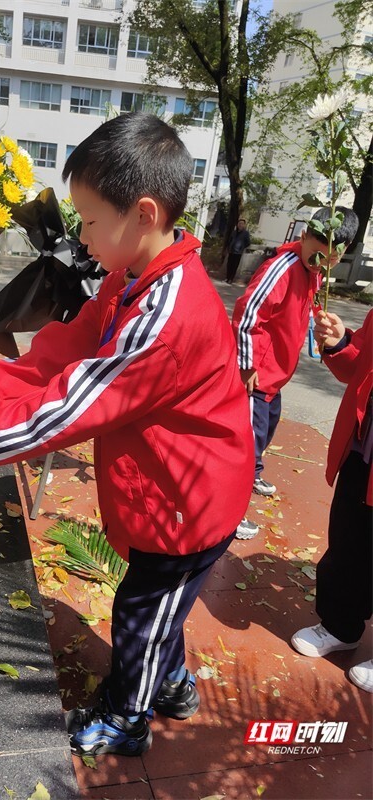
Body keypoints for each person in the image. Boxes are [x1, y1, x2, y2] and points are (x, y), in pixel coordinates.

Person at [0, 113, 254, 757]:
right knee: (157, 609)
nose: (81, 236)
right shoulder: (131, 278)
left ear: (144, 214)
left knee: (142, 613)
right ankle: (172, 685)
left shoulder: (168, 316)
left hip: (192, 501)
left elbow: (72, 406)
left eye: (91, 221)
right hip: (170, 486)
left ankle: (128, 720)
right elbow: (64, 352)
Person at [231, 207, 359, 540]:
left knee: (266, 430)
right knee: (247, 441)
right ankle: (230, 512)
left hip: (276, 378)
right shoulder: (281, 269)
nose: (322, 264)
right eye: (317, 255)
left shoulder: (313, 272)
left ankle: (253, 474)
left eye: (330, 260)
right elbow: (247, 317)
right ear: (303, 238)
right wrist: (247, 366)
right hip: (257, 378)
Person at [292, 309, 372, 692]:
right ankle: (341, 625)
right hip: (363, 449)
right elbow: (360, 371)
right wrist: (341, 343)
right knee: (349, 537)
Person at [225, 218, 251, 284]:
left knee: (234, 266)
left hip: (238, 253)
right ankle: (227, 278)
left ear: (244, 225)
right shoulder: (234, 232)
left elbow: (248, 243)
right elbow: (230, 240)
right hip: (231, 251)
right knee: (229, 265)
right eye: (239, 223)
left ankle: (231, 279)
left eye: (242, 224)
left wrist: (241, 247)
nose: (240, 225)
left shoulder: (246, 233)